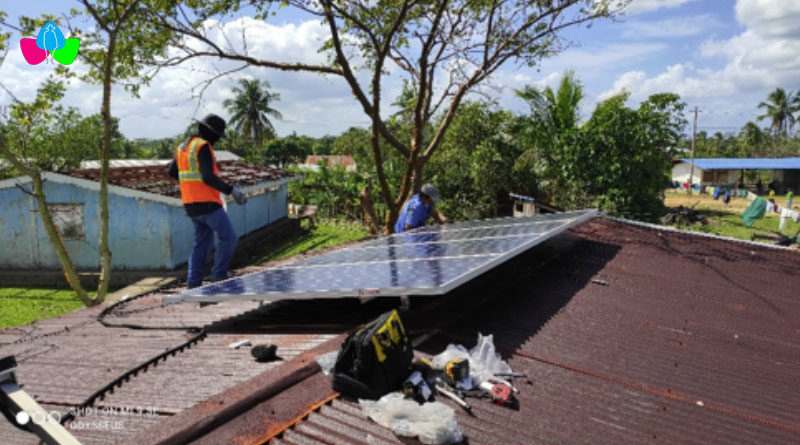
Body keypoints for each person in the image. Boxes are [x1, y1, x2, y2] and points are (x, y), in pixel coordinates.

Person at [168, 114, 247, 288]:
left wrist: (190, 186)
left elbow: (172, 172)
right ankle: (218, 277)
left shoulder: (183, 147)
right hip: (208, 204)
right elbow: (208, 177)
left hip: (191, 205)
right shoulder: (203, 146)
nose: (217, 139)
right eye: (217, 135)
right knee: (229, 238)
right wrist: (232, 190)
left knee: (202, 244)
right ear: (209, 132)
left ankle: (194, 283)